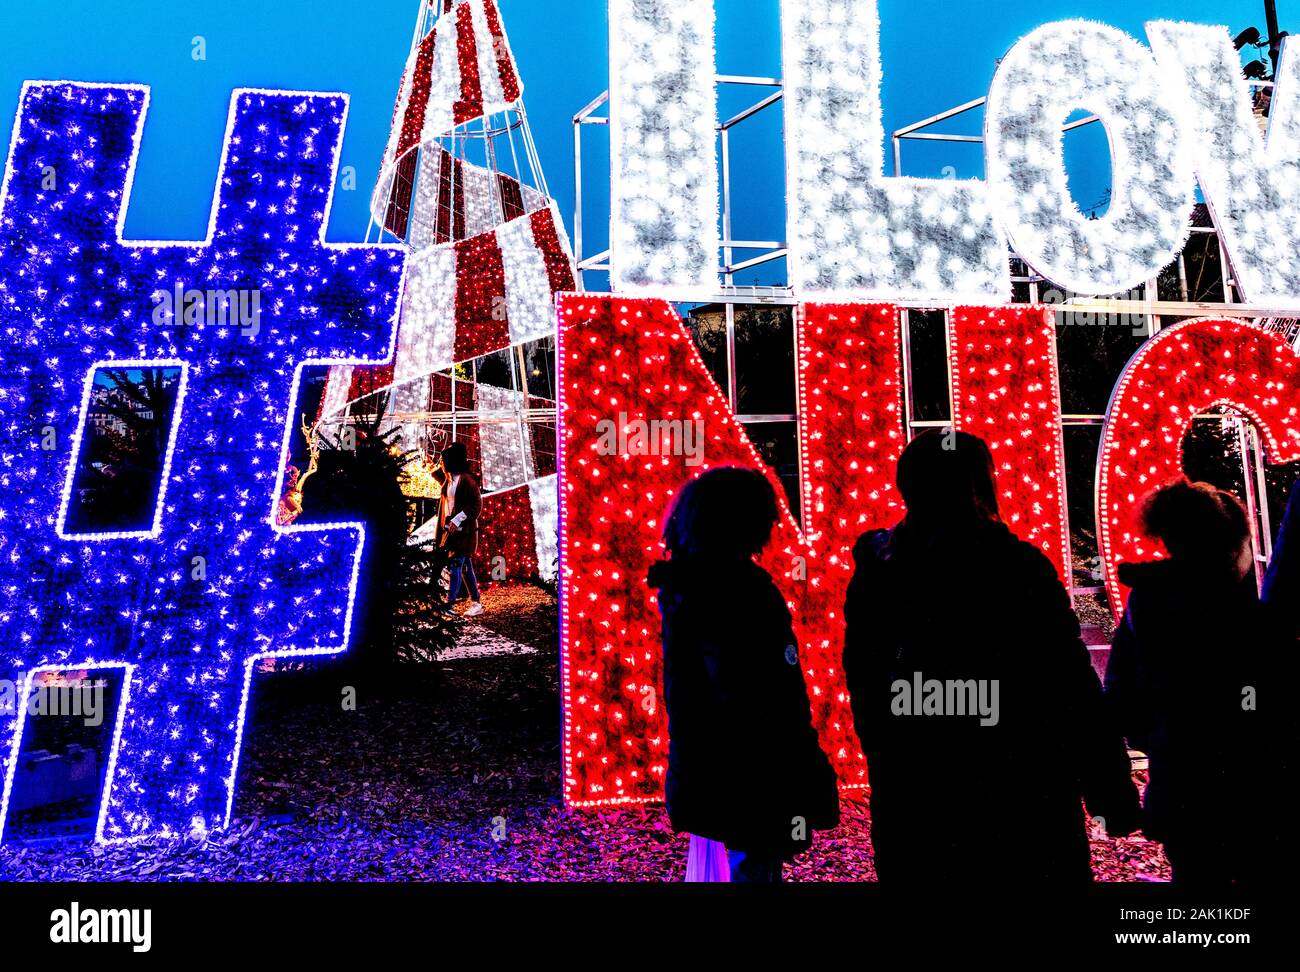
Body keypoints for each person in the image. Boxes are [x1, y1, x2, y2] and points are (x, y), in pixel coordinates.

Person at [843, 430, 1140, 885]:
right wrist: (1109, 790)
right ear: (981, 484)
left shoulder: (878, 576)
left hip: (918, 798)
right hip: (1025, 793)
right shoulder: (1017, 568)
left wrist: (891, 755)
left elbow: (866, 684)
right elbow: (1070, 687)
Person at [647, 466, 840, 882]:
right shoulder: (738, 590)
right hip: (753, 765)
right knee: (755, 863)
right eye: (766, 513)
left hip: (713, 760)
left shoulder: (690, 584)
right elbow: (752, 688)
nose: (774, 522)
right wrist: (794, 755)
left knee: (745, 858)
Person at [1105, 478, 1289, 888]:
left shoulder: (1146, 605)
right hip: (1257, 790)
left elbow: (1120, 698)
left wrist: (1158, 736)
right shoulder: (1243, 610)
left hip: (1180, 782)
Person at [437, 442, 484, 618]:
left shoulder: (468, 481)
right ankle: (476, 602)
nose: (442, 463)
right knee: (465, 568)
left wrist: (458, 519)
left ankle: (449, 605)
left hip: (465, 532)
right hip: (452, 532)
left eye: (445, 460)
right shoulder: (449, 480)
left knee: (456, 566)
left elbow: (476, 506)